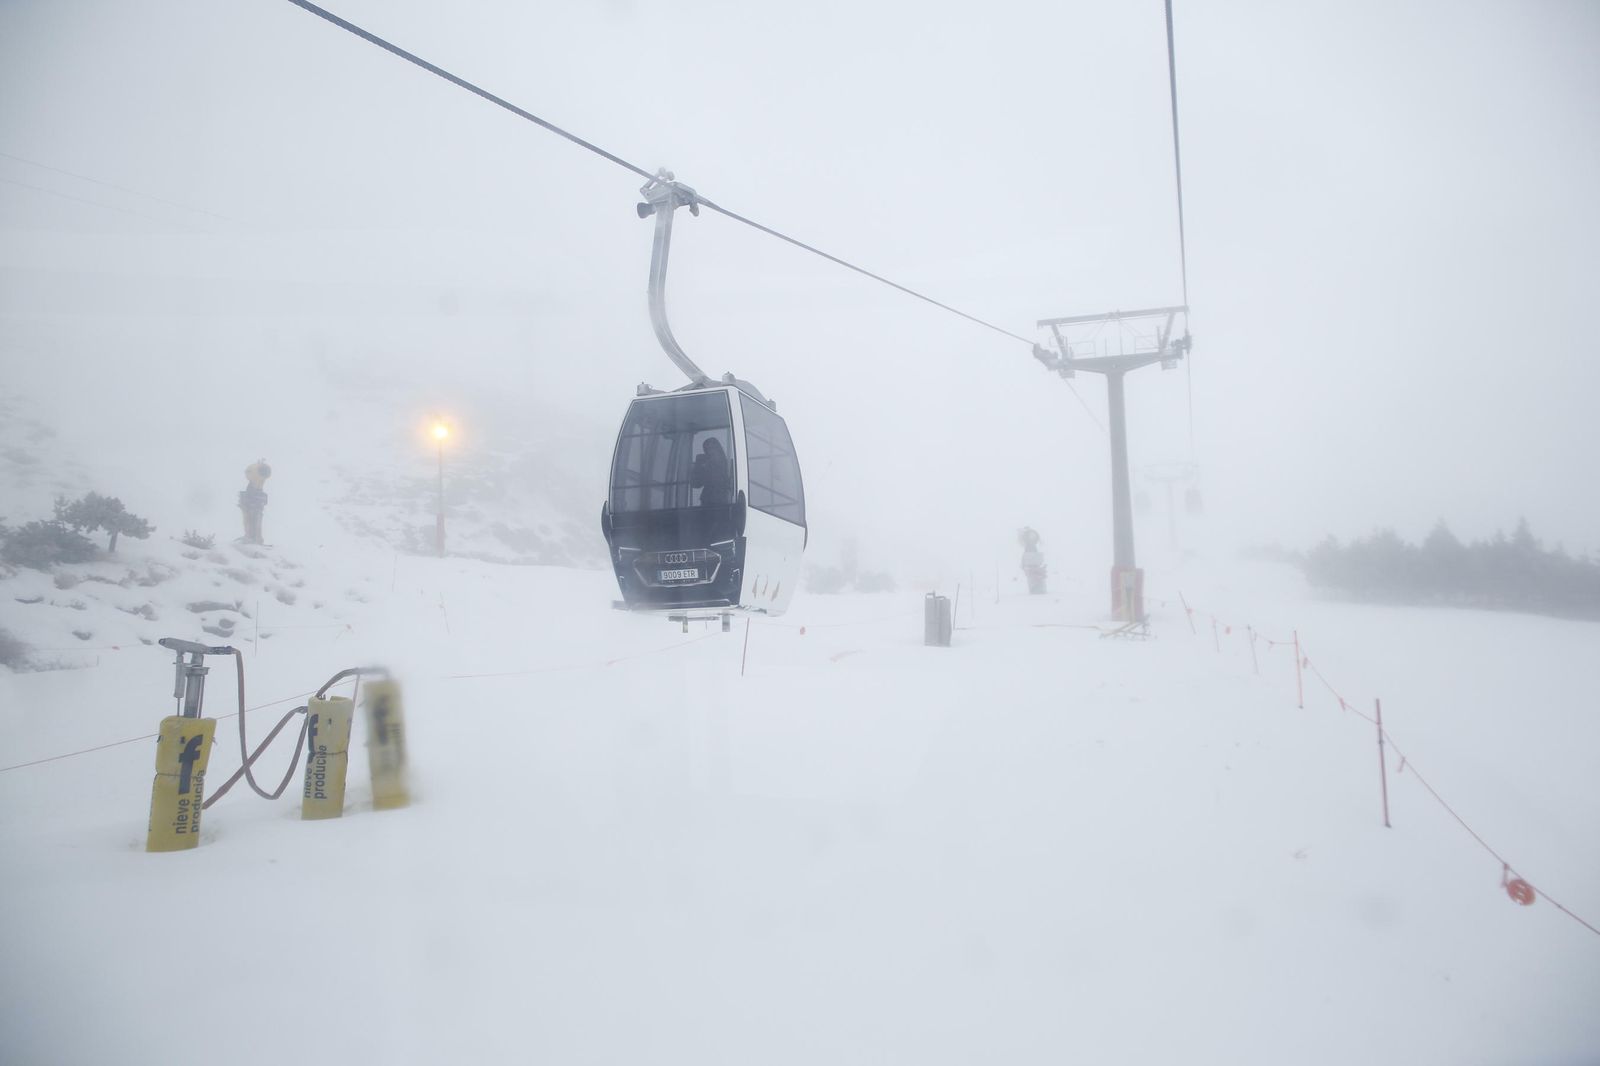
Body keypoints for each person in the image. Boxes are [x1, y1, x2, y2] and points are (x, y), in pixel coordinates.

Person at [690, 436, 732, 506]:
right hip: (707, 501)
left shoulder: (728, 466)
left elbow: (730, 484)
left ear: (718, 449)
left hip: (723, 502)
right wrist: (698, 467)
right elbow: (695, 484)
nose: (710, 452)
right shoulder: (704, 463)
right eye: (707, 449)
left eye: (713, 448)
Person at [239, 459, 271, 544]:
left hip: (253, 498)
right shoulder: (259, 478)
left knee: (252, 518)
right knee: (253, 518)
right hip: (254, 498)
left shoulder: (255, 477)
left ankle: (252, 536)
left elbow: (249, 473)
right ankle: (253, 537)